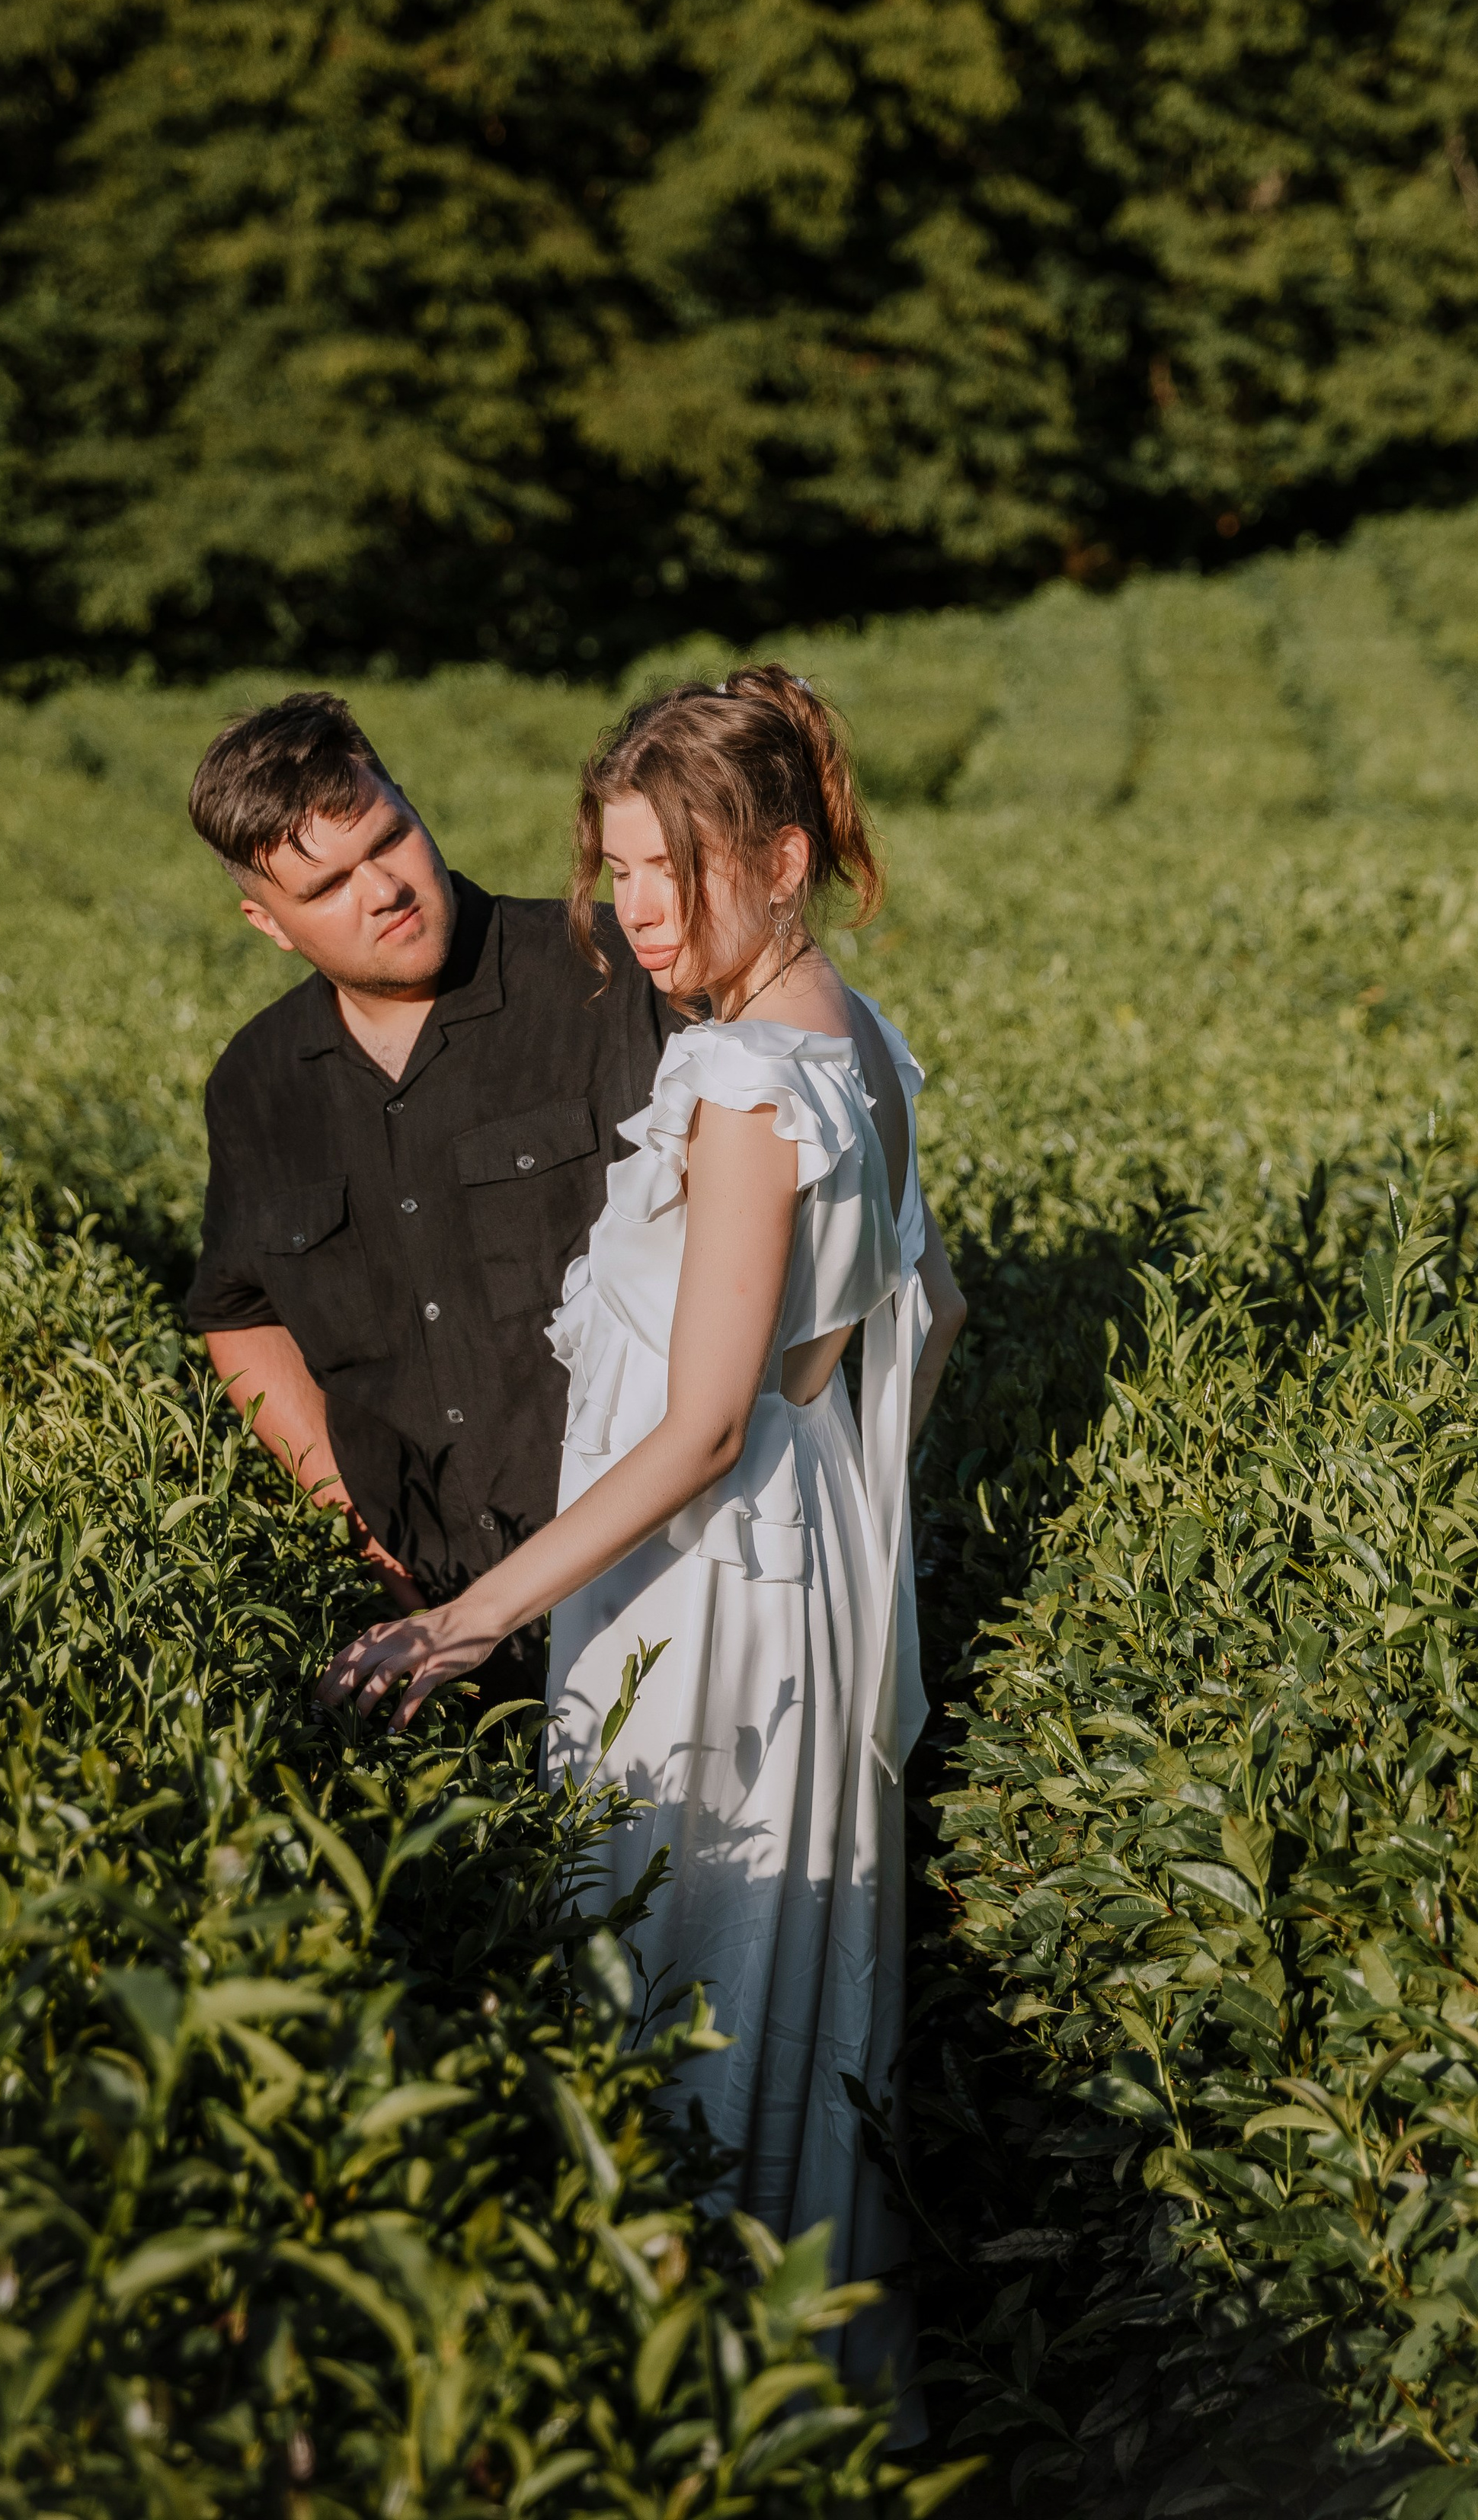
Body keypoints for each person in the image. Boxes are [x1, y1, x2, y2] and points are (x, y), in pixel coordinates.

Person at [319, 664, 967, 2390]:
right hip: (798, 1555)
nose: (637, 910)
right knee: (775, 1992)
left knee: (674, 1987)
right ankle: (804, 2395)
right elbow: (936, 1308)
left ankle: (684, 2403)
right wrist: (815, 1434)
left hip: (704, 1592)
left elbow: (689, 1430)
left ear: (776, 855)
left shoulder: (747, 1079)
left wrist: (461, 1625)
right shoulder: (859, 1037)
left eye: (670, 870)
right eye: (614, 868)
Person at [181, 691, 673, 1695]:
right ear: (266, 923)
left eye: (390, 839)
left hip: (657, 1589)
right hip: (423, 1632)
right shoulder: (258, 1082)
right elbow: (238, 1311)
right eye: (325, 886)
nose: (384, 890)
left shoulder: (610, 980)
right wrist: (364, 1533)